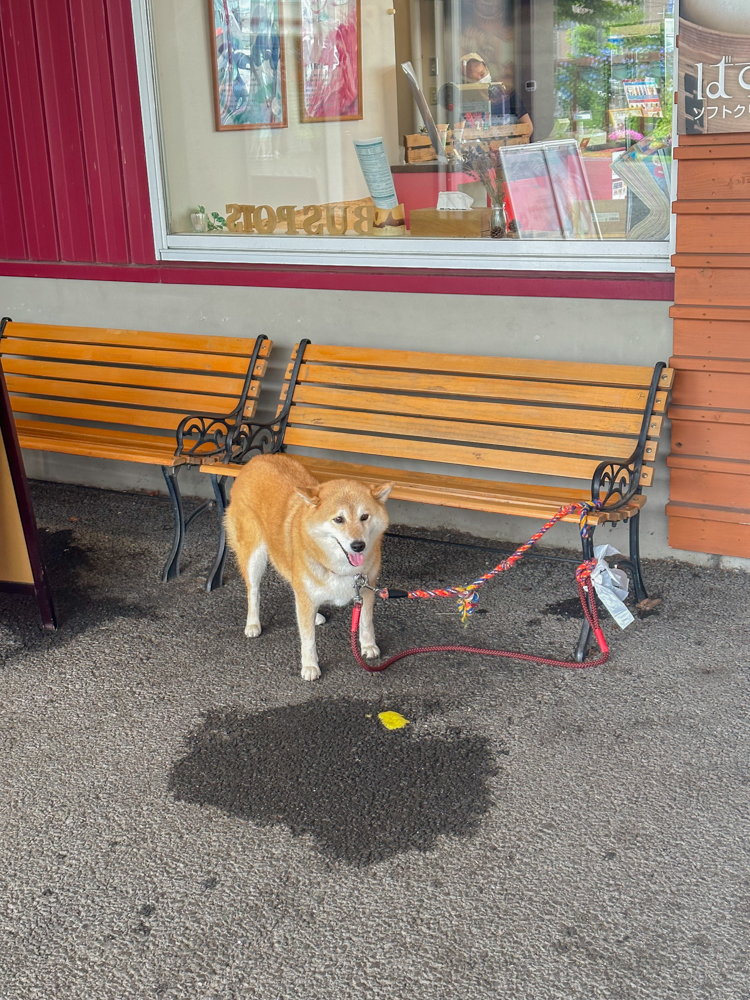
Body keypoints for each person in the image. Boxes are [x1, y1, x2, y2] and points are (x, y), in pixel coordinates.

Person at [460, 52, 532, 130]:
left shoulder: (506, 92)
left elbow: (528, 128)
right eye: (474, 80)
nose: (481, 80)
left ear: (486, 68)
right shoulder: (467, 102)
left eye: (482, 74)